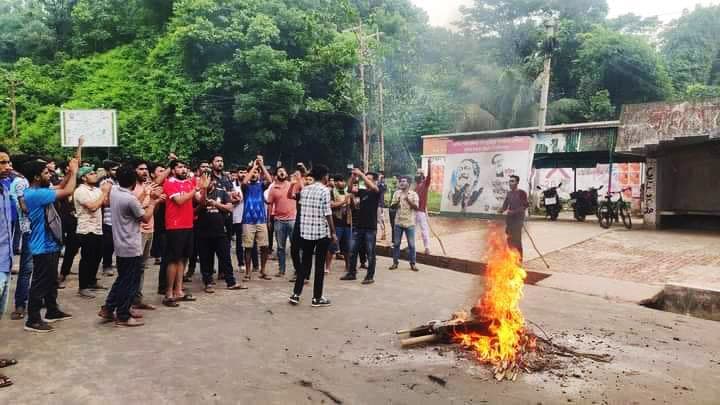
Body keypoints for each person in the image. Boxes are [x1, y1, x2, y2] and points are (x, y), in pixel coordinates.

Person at [98, 164, 162, 327]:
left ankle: (108, 307)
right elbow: (145, 217)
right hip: (130, 244)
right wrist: (153, 200)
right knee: (130, 280)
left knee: (123, 278)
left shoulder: (115, 192)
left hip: (120, 243)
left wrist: (145, 194)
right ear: (133, 180)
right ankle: (123, 315)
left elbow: (134, 206)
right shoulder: (129, 199)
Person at [22, 155, 79, 332]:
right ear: (37, 177)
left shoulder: (40, 190)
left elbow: (61, 186)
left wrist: (70, 172)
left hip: (50, 243)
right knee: (40, 282)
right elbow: (68, 191)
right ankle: (33, 319)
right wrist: (75, 172)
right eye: (46, 173)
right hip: (42, 246)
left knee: (51, 280)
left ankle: (52, 310)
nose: (50, 175)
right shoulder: (35, 194)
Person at [161, 159, 208, 307]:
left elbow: (201, 201)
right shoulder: (169, 183)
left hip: (188, 224)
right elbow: (180, 201)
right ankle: (168, 293)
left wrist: (204, 189)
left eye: (185, 167)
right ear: (173, 170)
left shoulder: (189, 183)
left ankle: (179, 291)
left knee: (182, 259)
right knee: (173, 259)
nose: (183, 170)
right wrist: (195, 189)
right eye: (180, 167)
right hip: (175, 226)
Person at [288, 164, 336, 307]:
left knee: (304, 264)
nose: (328, 178)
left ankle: (296, 294)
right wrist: (333, 232)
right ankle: (317, 298)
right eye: (327, 175)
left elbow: (302, 208)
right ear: (324, 176)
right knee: (319, 266)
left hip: (306, 232)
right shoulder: (325, 191)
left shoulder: (305, 190)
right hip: (321, 232)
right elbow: (327, 213)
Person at [196, 178, 246, 292]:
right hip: (203, 232)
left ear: (213, 181)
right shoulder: (198, 192)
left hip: (220, 231)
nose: (206, 182)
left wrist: (216, 204)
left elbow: (229, 208)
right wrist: (203, 189)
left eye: (208, 180)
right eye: (204, 179)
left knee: (226, 258)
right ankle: (208, 283)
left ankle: (231, 282)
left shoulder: (221, 192)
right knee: (205, 259)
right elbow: (202, 203)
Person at [73, 165, 112, 298]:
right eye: (91, 173)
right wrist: (105, 192)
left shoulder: (96, 190)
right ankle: (83, 287)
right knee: (87, 258)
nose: (95, 175)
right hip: (86, 229)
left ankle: (92, 281)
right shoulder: (80, 191)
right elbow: (93, 206)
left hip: (97, 228)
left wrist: (107, 192)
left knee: (97, 257)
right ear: (83, 177)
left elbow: (105, 203)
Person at [131, 160, 163, 310]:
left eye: (145, 169)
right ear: (134, 170)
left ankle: (137, 298)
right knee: (134, 267)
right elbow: (132, 207)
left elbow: (151, 211)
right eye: (140, 169)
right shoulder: (132, 188)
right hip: (137, 231)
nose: (144, 172)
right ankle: (128, 301)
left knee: (142, 267)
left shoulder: (147, 186)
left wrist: (156, 201)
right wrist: (148, 196)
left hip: (149, 229)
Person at [341, 169, 380, 284]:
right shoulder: (363, 192)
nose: (366, 181)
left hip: (370, 228)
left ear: (375, 181)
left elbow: (374, 188)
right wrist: (353, 177)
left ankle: (369, 276)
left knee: (370, 253)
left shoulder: (376, 191)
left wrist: (362, 175)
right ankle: (351, 273)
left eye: (369, 179)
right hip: (359, 227)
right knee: (352, 251)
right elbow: (348, 189)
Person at [241, 156, 272, 281]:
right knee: (248, 247)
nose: (254, 174)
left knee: (264, 246)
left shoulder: (261, 186)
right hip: (248, 221)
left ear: (259, 175)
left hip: (261, 220)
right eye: (252, 173)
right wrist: (254, 167)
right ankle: (248, 272)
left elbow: (269, 180)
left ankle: (263, 270)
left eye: (256, 173)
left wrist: (262, 166)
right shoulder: (246, 187)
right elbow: (244, 182)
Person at [9, 166, 33, 320]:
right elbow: (25, 208)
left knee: (42, 270)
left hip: (40, 231)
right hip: (30, 230)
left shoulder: (36, 185)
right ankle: (20, 304)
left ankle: (39, 299)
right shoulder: (20, 182)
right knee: (27, 269)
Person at [266, 167, 296, 277]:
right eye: (279, 171)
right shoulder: (273, 188)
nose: (282, 172)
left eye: (283, 171)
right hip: (278, 221)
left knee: (295, 246)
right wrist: (269, 220)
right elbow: (270, 205)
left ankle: (297, 269)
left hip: (292, 219)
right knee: (280, 247)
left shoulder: (292, 185)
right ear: (276, 175)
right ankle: (281, 270)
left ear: (286, 174)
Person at [389, 176, 420, 271]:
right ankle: (395, 263)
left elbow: (416, 207)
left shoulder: (414, 194)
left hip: (410, 223)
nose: (401, 183)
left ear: (408, 184)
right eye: (400, 181)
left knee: (411, 245)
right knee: (396, 244)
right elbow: (392, 206)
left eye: (403, 181)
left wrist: (408, 200)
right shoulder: (396, 193)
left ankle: (413, 264)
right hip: (398, 222)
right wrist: (396, 203)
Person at [500, 175, 529, 260]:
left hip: (518, 220)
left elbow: (525, 206)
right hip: (509, 220)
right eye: (510, 181)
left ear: (517, 182)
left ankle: (519, 260)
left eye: (512, 181)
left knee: (517, 240)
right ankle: (511, 258)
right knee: (509, 240)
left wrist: (514, 212)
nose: (510, 183)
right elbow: (505, 206)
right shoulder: (509, 194)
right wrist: (500, 210)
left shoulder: (522, 193)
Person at [100, 160, 120, 276]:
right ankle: (106, 265)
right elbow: (104, 201)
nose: (116, 172)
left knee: (116, 243)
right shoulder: (105, 183)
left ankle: (112, 263)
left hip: (118, 218)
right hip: (107, 218)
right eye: (113, 169)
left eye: (117, 169)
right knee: (108, 244)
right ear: (108, 171)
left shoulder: (118, 182)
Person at [329, 174, 351, 274]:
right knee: (332, 245)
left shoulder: (348, 192)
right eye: (337, 181)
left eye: (342, 181)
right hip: (336, 222)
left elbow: (353, 205)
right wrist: (344, 202)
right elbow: (331, 205)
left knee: (347, 246)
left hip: (347, 222)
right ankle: (327, 267)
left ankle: (348, 266)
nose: (340, 183)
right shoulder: (331, 192)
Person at [414, 159, 433, 255]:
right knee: (412, 230)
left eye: (418, 173)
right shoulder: (416, 186)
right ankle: (411, 246)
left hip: (421, 212)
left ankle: (427, 248)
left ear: (422, 175)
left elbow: (430, 175)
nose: (416, 174)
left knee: (424, 230)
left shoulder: (425, 183)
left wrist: (429, 164)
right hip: (414, 211)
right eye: (416, 173)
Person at [377, 171, 387, 240]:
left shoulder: (382, 185)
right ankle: (383, 233)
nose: (380, 178)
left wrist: (379, 179)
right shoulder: (380, 185)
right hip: (378, 204)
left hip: (379, 204)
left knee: (380, 219)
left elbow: (380, 187)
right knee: (379, 219)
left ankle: (383, 233)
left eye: (382, 177)